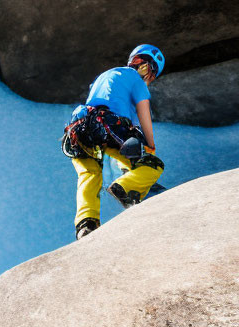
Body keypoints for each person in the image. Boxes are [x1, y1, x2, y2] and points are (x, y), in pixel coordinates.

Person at [62, 44, 166, 240]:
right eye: (145, 68)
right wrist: (150, 147)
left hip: (79, 127)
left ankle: (86, 223)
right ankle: (128, 186)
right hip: (108, 123)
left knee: (89, 174)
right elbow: (142, 115)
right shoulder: (136, 81)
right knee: (153, 163)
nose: (143, 71)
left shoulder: (103, 77)